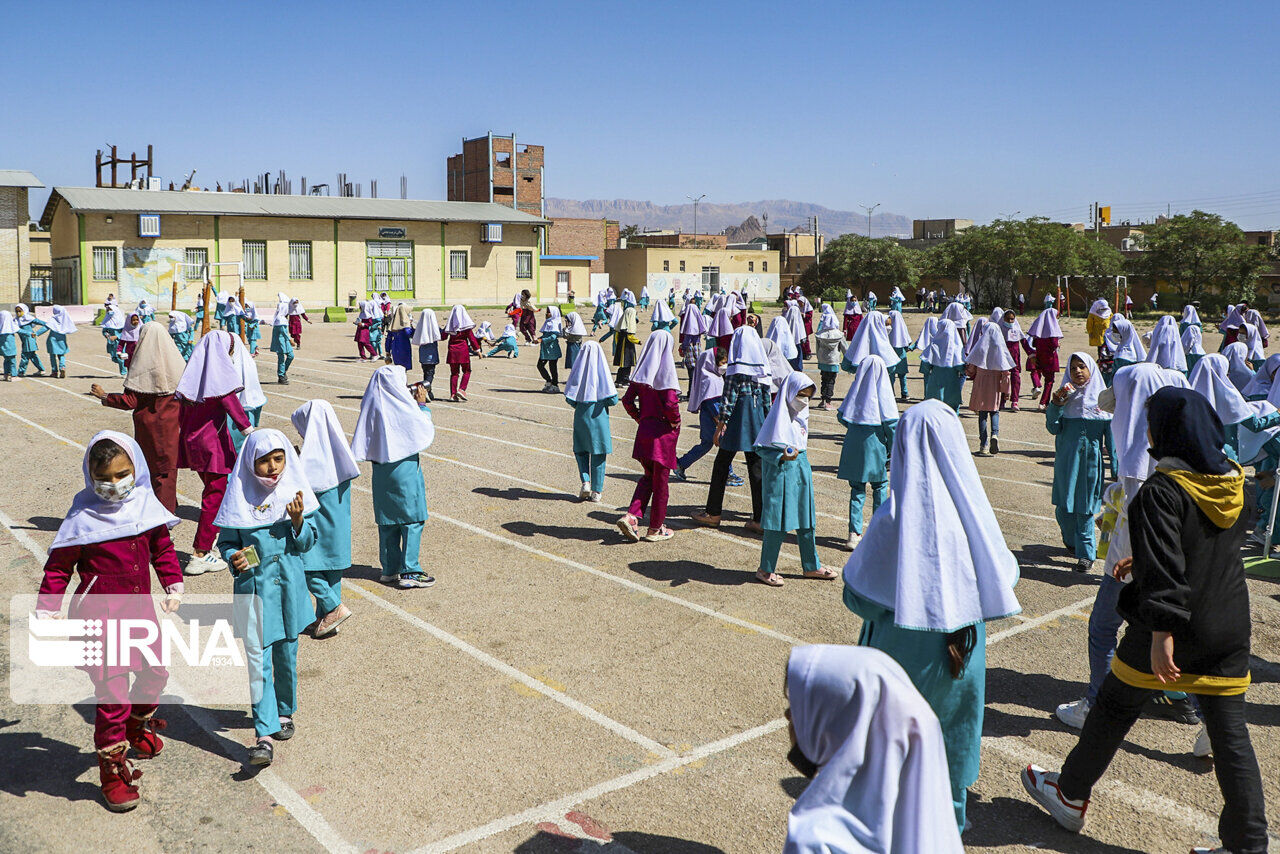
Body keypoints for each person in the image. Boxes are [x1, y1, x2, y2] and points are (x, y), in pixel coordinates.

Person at [1024, 388, 1266, 854]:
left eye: (1153, 423)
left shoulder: (1161, 490)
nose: (1148, 431)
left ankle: (1070, 794)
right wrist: (1145, 556)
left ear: (1168, 432)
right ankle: (1248, 846)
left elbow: (1171, 572)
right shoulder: (1233, 483)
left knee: (1114, 706)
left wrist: (1161, 633)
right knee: (1230, 735)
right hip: (1229, 622)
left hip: (1175, 626)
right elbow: (1203, 547)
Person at [843, 399, 1021, 832]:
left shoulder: (895, 517)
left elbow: (859, 597)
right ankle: (950, 828)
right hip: (965, 650)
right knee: (952, 744)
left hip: (901, 653)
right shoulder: (973, 511)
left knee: (897, 755)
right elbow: (1003, 576)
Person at [38, 431, 181, 811]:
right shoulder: (82, 517)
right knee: (112, 697)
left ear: (136, 469)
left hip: (140, 615)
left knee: (157, 673)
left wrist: (173, 584)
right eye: (104, 477)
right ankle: (112, 771)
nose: (114, 484)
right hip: (100, 621)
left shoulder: (145, 508)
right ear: (89, 475)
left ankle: (136, 724)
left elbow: (162, 548)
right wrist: (48, 607)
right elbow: (58, 567)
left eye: (122, 474)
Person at [1053, 362, 1194, 731]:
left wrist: (1123, 557)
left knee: (1103, 628)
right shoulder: (1179, 442)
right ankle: (1184, 700)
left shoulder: (1137, 453)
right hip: (1173, 562)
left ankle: (1097, 705)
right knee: (1162, 630)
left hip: (1133, 561)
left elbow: (1140, 515)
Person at [783, 645, 963, 854]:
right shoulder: (936, 825)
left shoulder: (816, 839)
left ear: (839, 722)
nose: (788, 716)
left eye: (796, 708)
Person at [216, 429, 318, 767]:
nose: (273, 468)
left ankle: (285, 711)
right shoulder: (239, 496)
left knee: (287, 658)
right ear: (249, 463)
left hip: (288, 592)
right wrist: (234, 558)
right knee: (258, 663)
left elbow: (307, 544)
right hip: (255, 592)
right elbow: (227, 541)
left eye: (278, 459)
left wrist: (298, 520)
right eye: (264, 461)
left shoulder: (294, 495)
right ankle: (263, 733)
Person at [351, 365, 436, 588]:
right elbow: (422, 428)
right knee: (412, 519)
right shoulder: (404, 406)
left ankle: (389, 569)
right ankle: (410, 570)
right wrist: (422, 404)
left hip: (381, 470)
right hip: (404, 469)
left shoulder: (372, 403)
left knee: (388, 521)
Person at [91, 321, 186, 513]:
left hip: (148, 428)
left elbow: (130, 401)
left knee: (149, 469)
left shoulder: (142, 366)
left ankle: (162, 512)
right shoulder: (177, 364)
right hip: (171, 427)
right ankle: (167, 504)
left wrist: (104, 396)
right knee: (167, 471)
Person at [754, 372, 836, 585]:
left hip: (801, 471)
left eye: (808, 396)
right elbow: (761, 448)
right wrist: (780, 455)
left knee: (807, 520)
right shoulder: (777, 416)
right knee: (777, 523)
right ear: (790, 392)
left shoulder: (802, 417)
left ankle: (812, 566)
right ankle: (765, 569)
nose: (804, 401)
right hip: (781, 474)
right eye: (800, 395)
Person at [693, 326, 772, 532]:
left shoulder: (735, 371)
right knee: (756, 468)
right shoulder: (762, 369)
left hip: (738, 420)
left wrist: (720, 425)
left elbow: (728, 399)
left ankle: (713, 512)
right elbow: (766, 401)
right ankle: (761, 517)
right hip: (757, 420)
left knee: (721, 464)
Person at [291, 400, 359, 639]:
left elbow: (302, 486)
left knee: (307, 567)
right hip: (338, 529)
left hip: (318, 528)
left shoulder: (312, 464)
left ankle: (332, 607)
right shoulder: (340, 454)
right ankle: (326, 619)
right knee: (332, 571)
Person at [1047, 353, 1114, 572]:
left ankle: (1086, 554)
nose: (1077, 371)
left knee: (1084, 509)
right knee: (1063, 508)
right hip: (1066, 461)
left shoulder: (1102, 403)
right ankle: (1071, 541)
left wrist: (1117, 468)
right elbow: (1053, 428)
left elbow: (1112, 440)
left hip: (1090, 463)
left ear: (1091, 370)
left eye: (1082, 367)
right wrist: (1055, 406)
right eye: (1073, 368)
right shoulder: (1065, 399)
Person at [617, 330, 681, 542]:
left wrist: (639, 417)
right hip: (662, 436)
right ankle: (655, 528)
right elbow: (671, 403)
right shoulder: (666, 375)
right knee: (661, 484)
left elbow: (627, 400)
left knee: (647, 477)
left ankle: (632, 516)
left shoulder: (641, 376)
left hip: (644, 432)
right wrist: (675, 420)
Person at [836, 354, 897, 551]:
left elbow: (842, 416)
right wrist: (892, 449)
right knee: (879, 486)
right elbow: (891, 424)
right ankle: (877, 530)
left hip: (854, 444)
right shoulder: (884, 392)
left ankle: (854, 533)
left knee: (857, 489)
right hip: (876, 445)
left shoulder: (857, 389)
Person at [1190, 354, 1280, 461]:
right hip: (1225, 455)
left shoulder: (1189, 397)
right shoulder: (1230, 396)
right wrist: (1277, 414)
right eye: (1227, 373)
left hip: (1196, 454)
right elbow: (1255, 424)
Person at [563, 340, 616, 502]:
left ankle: (585, 481)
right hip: (599, 418)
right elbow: (613, 400)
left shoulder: (577, 372)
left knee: (581, 451)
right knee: (598, 454)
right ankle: (597, 491)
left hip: (581, 416)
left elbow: (570, 398)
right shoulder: (603, 375)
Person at [965, 321, 1014, 455]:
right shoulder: (1000, 348)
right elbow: (1006, 372)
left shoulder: (980, 347)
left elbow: (971, 368)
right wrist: (1006, 391)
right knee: (994, 411)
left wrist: (968, 371)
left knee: (982, 414)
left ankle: (983, 444)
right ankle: (995, 434)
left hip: (981, 384)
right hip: (995, 385)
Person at [229, 334, 266, 453]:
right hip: (246, 416)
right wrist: (255, 422)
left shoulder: (219, 366)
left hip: (225, 417)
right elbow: (257, 396)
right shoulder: (248, 364)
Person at [920, 319, 966, 411]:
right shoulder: (957, 349)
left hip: (935, 382)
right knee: (952, 410)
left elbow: (925, 366)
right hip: (952, 383)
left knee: (935, 410)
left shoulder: (933, 346)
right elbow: (961, 368)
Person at [841, 311, 902, 376]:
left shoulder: (858, 342)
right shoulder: (884, 343)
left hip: (862, 382)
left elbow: (845, 366)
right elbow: (891, 368)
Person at [444, 304, 483, 401]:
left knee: (454, 373)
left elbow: (443, 336)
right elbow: (472, 339)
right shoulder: (466, 327)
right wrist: (478, 350)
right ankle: (462, 389)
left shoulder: (450, 325)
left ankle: (453, 394)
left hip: (452, 351)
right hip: (463, 351)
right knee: (467, 371)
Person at [1026, 307, 1063, 410]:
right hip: (1050, 359)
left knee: (1042, 376)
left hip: (1040, 357)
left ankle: (1041, 396)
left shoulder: (1039, 330)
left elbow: (1034, 343)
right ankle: (1043, 402)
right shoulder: (1053, 331)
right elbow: (1054, 344)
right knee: (1049, 381)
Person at [813, 305, 846, 410]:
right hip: (834, 360)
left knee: (824, 380)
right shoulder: (839, 335)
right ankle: (828, 401)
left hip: (823, 361)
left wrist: (819, 358)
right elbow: (845, 348)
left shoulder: (820, 335)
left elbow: (817, 349)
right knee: (831, 381)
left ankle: (822, 400)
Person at [602, 296, 639, 385]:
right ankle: (625, 380)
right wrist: (638, 341)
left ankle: (619, 380)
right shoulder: (628, 328)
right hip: (627, 349)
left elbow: (616, 337)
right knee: (627, 364)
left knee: (622, 365)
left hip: (621, 347)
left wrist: (618, 343)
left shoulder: (620, 326)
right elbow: (630, 337)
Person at [411, 308, 441, 398]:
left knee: (426, 372)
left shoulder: (420, 327)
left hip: (423, 355)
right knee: (430, 373)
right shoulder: (434, 327)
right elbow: (440, 335)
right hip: (431, 355)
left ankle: (428, 390)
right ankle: (425, 390)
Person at [15, 303, 49, 376]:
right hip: (24, 340)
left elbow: (43, 323)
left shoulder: (29, 318)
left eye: (20, 311)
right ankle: (41, 370)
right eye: (17, 311)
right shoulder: (16, 320)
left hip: (29, 340)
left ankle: (21, 372)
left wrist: (37, 332)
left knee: (25, 355)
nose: (18, 313)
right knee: (32, 356)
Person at [536, 305, 564, 392]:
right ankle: (548, 381)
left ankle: (555, 385)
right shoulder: (547, 322)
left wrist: (542, 340)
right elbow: (545, 334)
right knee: (540, 366)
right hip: (545, 349)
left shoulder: (555, 323)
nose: (546, 314)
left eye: (548, 312)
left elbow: (553, 337)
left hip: (552, 349)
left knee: (553, 367)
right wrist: (539, 338)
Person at [45, 304, 77, 378]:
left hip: (52, 340)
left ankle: (54, 371)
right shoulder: (65, 319)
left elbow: (46, 327)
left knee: (52, 356)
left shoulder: (53, 319)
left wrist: (36, 334)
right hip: (61, 340)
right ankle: (62, 367)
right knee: (61, 355)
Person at [886, 310, 912, 399]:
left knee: (891, 375)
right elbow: (908, 341)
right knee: (902, 375)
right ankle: (904, 392)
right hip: (901, 354)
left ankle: (891, 393)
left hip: (890, 354)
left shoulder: (887, 328)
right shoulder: (903, 328)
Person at [269, 299, 294, 384]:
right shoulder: (279, 319)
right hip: (280, 341)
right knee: (281, 358)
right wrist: (290, 339)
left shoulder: (283, 318)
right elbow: (283, 331)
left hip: (285, 341)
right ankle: (281, 376)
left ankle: (284, 371)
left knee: (291, 356)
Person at [385, 303, 415, 369]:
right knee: (404, 368)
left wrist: (387, 350)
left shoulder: (393, 324)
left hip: (395, 347)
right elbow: (409, 334)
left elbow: (388, 339)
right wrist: (413, 328)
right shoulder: (405, 324)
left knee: (398, 367)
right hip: (404, 347)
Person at [0, 309, 17, 380]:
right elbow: (20, 330)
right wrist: (29, 333)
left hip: (3, 350)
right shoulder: (11, 327)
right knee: (12, 361)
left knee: (6, 361)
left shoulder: (1, 329)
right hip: (11, 349)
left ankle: (6, 375)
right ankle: (14, 376)